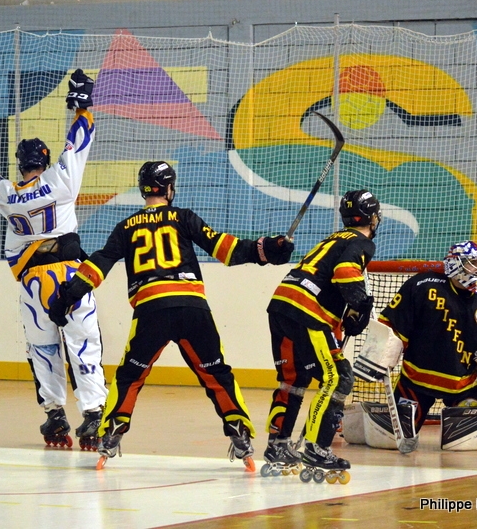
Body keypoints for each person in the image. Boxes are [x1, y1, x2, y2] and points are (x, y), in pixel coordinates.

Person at [48, 160, 294, 471]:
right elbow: (224, 248)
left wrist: (67, 297)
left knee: (130, 377)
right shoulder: (184, 217)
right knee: (217, 374)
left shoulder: (125, 227)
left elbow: (98, 264)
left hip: (150, 309)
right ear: (169, 188)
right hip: (193, 308)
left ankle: (111, 434)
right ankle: (239, 431)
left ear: (143, 189)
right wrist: (266, 249)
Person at [0, 69, 108, 450]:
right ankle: (94, 415)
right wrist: (83, 105)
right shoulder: (61, 180)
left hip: (34, 286)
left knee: (43, 349)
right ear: (45, 159)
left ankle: (54, 417)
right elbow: (79, 142)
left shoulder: (7, 196)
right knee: (84, 345)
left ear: (19, 164)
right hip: (71, 276)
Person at [263, 189, 380, 476]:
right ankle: (317, 447)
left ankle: (278, 444)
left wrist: (350, 312)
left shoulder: (332, 238)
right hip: (307, 311)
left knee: (292, 379)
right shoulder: (361, 241)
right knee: (338, 377)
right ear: (373, 218)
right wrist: (360, 306)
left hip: (281, 304)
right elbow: (345, 272)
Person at [376, 240, 477, 443]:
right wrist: (380, 357)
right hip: (416, 381)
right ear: (455, 264)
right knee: (389, 440)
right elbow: (392, 327)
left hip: (465, 385)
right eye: (472, 262)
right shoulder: (423, 285)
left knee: (472, 443)